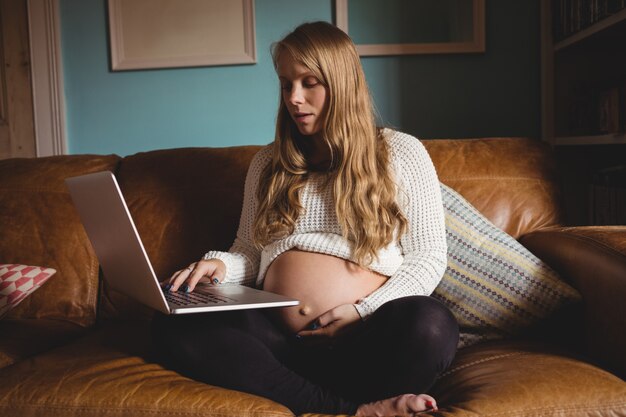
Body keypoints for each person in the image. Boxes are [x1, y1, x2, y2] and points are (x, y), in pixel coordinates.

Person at [151, 21, 459, 416]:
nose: (294, 98)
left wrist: (363, 310)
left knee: (432, 324)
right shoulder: (267, 163)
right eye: (285, 84)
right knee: (171, 321)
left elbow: (428, 257)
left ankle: (333, 401)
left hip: (366, 338)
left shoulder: (400, 152)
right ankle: (350, 409)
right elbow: (248, 250)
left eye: (309, 82)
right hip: (278, 345)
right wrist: (219, 265)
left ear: (342, 84)